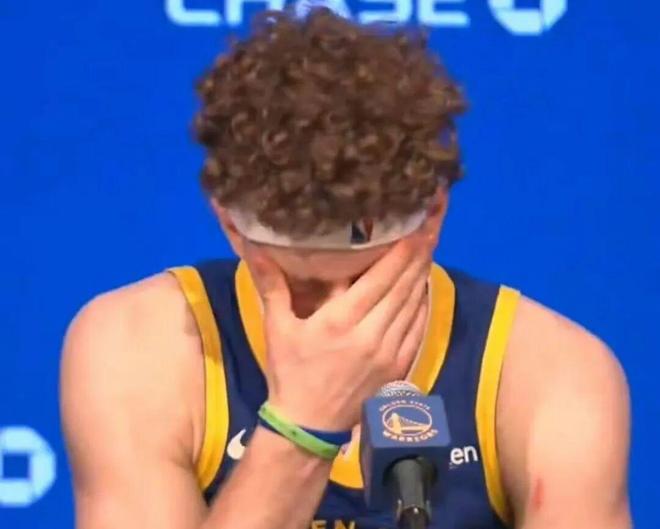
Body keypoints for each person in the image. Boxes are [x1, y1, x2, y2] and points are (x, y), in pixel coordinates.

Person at [60, 8, 631, 529]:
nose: (339, 321)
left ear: (433, 215)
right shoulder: (139, 347)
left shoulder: (549, 375)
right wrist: (303, 423)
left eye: (365, 281)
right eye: (301, 288)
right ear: (230, 225)